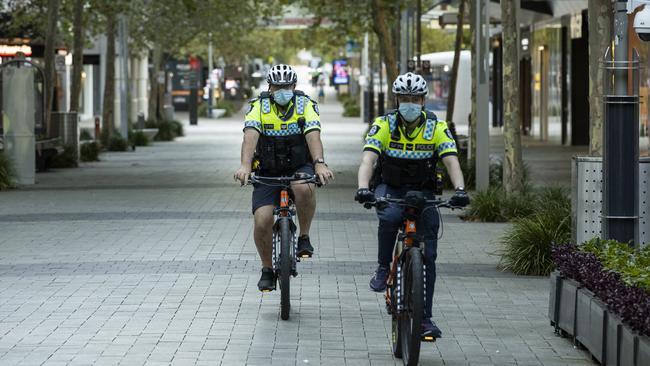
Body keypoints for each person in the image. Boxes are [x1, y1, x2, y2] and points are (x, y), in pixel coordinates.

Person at [354, 72, 470, 338]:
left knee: (428, 256)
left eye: (414, 98)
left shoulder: (436, 127)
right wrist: (363, 188)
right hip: (390, 188)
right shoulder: (384, 124)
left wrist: (461, 190)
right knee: (390, 216)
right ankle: (384, 267)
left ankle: (425, 319)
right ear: (397, 100)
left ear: (423, 100)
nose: (409, 103)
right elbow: (368, 161)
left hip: (424, 192)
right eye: (404, 98)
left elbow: (452, 161)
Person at [234, 64, 334, 292]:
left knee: (304, 188)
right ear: (269, 87)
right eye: (278, 86)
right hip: (267, 171)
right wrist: (245, 166)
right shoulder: (258, 107)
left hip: (299, 167)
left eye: (287, 85)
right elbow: (250, 137)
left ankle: (304, 237)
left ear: (294, 86)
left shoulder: (305, 105)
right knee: (262, 220)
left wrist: (319, 164)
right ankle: (267, 269)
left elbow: (313, 136)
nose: (282, 89)